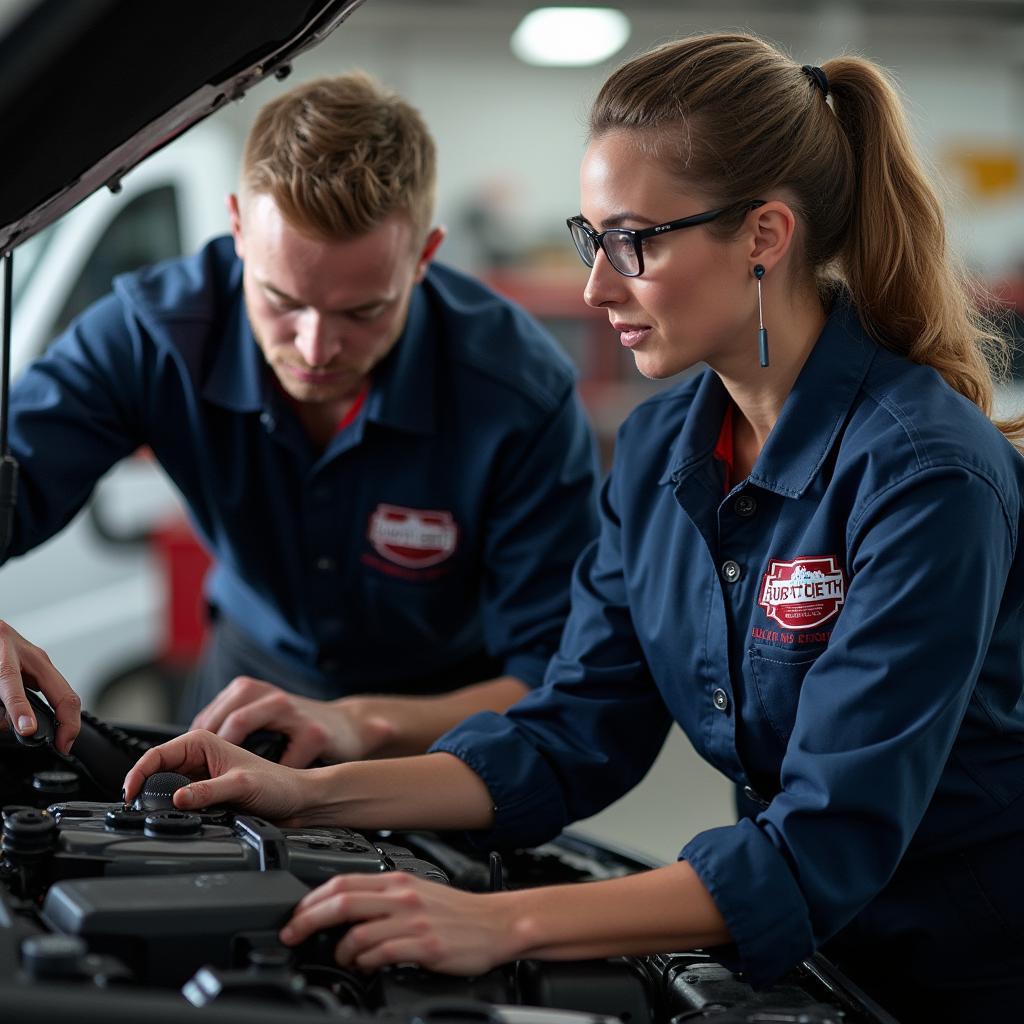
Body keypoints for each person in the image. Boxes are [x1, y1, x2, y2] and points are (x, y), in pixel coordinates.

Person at [123, 33, 1024, 1021]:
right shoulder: (656, 454)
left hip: (966, 973)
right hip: (802, 965)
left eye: (634, 241)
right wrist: (308, 792)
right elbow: (570, 731)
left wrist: (500, 923)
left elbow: (824, 838)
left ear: (765, 234)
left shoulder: (924, 473)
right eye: (591, 238)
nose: (597, 287)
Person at [0, 72, 599, 765]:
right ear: (237, 230)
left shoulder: (517, 392)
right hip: (246, 695)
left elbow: (555, 675)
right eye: (281, 299)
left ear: (423, 259)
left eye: (362, 311)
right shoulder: (153, 336)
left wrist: (358, 723)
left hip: (448, 731)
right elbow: (18, 473)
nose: (315, 348)